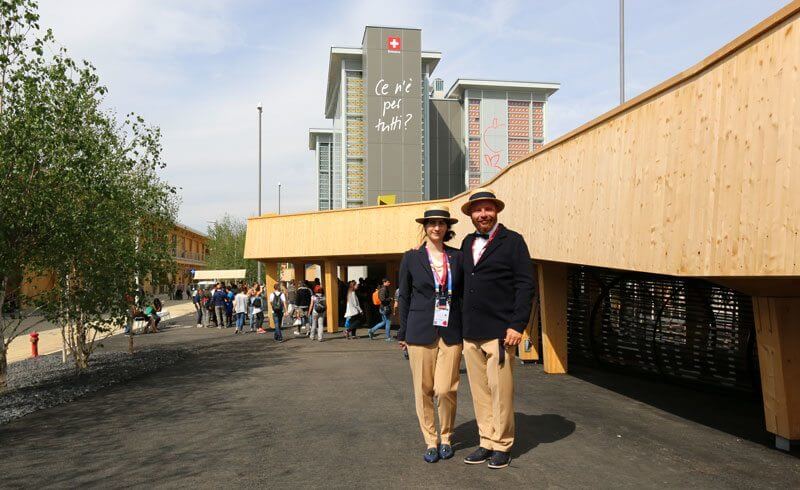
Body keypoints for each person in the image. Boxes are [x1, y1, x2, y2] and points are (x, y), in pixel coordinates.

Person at [459, 188, 534, 470]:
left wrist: (517, 324)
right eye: (478, 211)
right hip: (471, 331)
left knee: (500, 391)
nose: (483, 215)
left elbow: (526, 285)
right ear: (471, 215)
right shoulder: (467, 242)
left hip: (500, 333)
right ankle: (486, 440)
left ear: (496, 211)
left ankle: (502, 444)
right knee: (480, 393)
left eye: (488, 209)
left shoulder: (513, 241)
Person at [397, 205, 464, 463]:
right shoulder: (411, 258)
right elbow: (404, 296)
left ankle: (447, 436)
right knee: (423, 389)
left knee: (446, 389)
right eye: (432, 223)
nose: (437, 227)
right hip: (419, 329)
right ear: (424, 227)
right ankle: (431, 440)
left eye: (442, 223)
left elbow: (463, 295)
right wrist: (402, 332)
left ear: (448, 228)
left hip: (452, 330)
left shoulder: (458, 257)